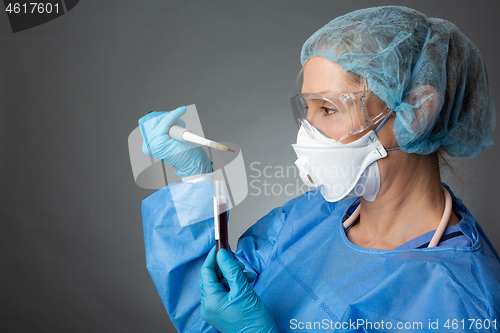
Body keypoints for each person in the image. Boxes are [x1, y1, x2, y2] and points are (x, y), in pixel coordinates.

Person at [140, 6, 500, 333]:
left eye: (327, 109)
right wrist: (196, 180)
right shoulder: (314, 215)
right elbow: (211, 308)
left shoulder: (464, 301)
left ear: (418, 112)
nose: (305, 134)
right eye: (305, 110)